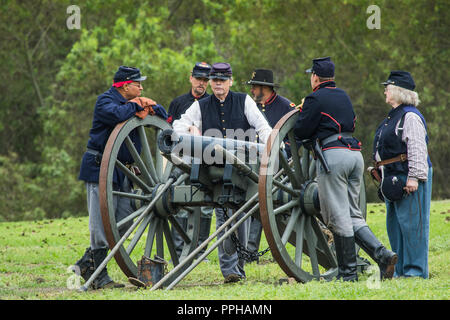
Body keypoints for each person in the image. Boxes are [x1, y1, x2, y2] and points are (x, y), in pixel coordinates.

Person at [294, 57, 397, 281]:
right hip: (354, 155)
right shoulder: (344, 96)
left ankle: (348, 273)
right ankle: (383, 255)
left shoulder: (314, 98)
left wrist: (304, 114)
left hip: (333, 157)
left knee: (337, 216)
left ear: (315, 77)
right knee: (352, 213)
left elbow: (300, 131)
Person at [173, 62, 272, 283]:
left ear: (230, 81)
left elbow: (262, 127)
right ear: (210, 82)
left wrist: (272, 146)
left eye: (222, 80)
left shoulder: (244, 100)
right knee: (223, 214)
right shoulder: (200, 105)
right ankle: (230, 271)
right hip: (214, 167)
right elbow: (179, 125)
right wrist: (187, 132)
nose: (218, 84)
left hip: (243, 166)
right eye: (214, 80)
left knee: (241, 216)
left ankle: (239, 266)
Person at [74, 65, 167, 289]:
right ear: (125, 86)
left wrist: (149, 105)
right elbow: (116, 114)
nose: (142, 87)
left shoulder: (131, 102)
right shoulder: (105, 101)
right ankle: (98, 275)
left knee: (124, 220)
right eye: (138, 84)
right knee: (100, 223)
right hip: (100, 169)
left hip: (124, 171)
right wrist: (137, 104)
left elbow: (163, 115)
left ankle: (87, 263)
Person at [374, 71, 432, 278]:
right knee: (396, 226)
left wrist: (414, 177)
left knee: (413, 226)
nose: (385, 91)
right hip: (394, 177)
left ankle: (415, 271)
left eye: (388, 88)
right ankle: (400, 269)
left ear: (398, 91)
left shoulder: (410, 116)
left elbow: (417, 148)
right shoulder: (394, 116)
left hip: (409, 176)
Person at [244, 68, 295, 261]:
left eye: (254, 86)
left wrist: (281, 157)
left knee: (262, 202)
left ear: (265, 88)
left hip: (278, 165)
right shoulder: (251, 106)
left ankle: (254, 249)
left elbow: (292, 138)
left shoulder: (285, 106)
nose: (252, 90)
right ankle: (249, 250)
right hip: (252, 163)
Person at [168, 62, 214, 260]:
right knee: (179, 203)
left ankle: (199, 250)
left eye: (205, 80)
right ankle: (178, 251)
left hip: (205, 160)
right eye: (198, 79)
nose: (201, 83)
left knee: (204, 206)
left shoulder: (212, 103)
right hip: (181, 159)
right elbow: (168, 132)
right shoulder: (178, 103)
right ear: (191, 78)